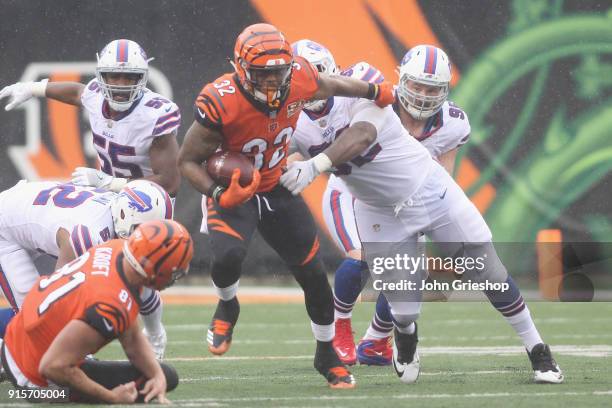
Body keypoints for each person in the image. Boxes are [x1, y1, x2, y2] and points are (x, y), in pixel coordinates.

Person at [283, 45, 563, 385]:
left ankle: (538, 349)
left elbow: (364, 135)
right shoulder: (293, 121)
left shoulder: (364, 81)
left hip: (430, 191)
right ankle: (402, 333)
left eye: (433, 89)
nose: (423, 95)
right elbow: (274, 157)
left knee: (487, 270)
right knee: (403, 306)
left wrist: (315, 164)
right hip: (376, 207)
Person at [178, 23, 394, 388]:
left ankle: (326, 354)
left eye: (279, 71)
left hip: (276, 182)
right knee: (227, 257)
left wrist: (375, 90)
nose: (273, 81)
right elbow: (187, 161)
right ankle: (227, 303)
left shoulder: (299, 77)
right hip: (233, 187)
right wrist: (217, 194)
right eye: (263, 74)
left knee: (313, 276)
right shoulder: (220, 99)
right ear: (240, 69)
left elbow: (335, 84)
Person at [0, 39, 182, 358]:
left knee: (142, 272)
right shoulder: (97, 94)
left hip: (147, 199)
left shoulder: (156, 115)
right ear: (102, 76)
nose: (121, 85)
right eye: (114, 76)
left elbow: (170, 182)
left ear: (143, 78)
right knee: (45, 313)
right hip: (105, 201)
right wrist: (36, 88)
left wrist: (113, 182)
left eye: (129, 78)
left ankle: (154, 336)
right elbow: (79, 93)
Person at [1, 219, 192, 404]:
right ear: (154, 268)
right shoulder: (109, 306)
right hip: (34, 379)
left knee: (161, 375)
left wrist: (156, 374)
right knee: (163, 378)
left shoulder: (117, 249)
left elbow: (131, 336)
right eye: (174, 272)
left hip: (20, 338)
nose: (173, 278)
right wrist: (111, 398)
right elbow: (53, 367)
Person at [0, 179, 173, 359]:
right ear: (124, 214)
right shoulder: (89, 231)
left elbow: (142, 282)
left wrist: (155, 337)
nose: (149, 239)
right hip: (5, 228)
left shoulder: (114, 214)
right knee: (35, 318)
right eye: (143, 230)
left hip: (29, 211)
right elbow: (58, 296)